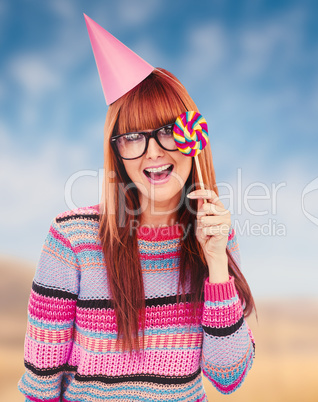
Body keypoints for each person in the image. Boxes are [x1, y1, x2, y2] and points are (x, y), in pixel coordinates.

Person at [18, 15, 255, 402]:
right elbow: (42, 379)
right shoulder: (72, 237)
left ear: (191, 137)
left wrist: (216, 265)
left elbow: (227, 377)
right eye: (133, 138)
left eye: (166, 131)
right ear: (117, 152)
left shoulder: (215, 234)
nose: (154, 152)